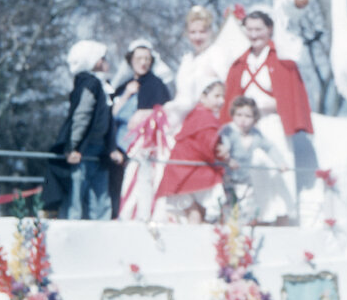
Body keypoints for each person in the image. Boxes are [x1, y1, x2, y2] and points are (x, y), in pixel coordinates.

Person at [221, 10, 317, 201]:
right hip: (246, 126)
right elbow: (232, 97)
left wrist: (275, 105)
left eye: (259, 29)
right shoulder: (240, 62)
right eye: (250, 29)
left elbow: (291, 96)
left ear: (269, 29)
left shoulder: (282, 59)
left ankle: (282, 217)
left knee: (277, 170)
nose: (254, 34)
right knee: (249, 171)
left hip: (273, 123)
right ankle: (252, 216)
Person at [42, 40, 114, 220]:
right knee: (77, 193)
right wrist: (72, 146)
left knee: (99, 196)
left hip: (99, 149)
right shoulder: (90, 84)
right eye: (103, 58)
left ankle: (101, 230)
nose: (107, 62)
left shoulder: (102, 84)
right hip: (85, 148)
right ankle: (73, 229)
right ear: (95, 61)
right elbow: (82, 115)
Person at [110, 39, 171, 216]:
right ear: (130, 60)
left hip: (141, 148)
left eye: (147, 59)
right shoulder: (122, 86)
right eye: (139, 58)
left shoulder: (155, 84)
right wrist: (127, 94)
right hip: (117, 147)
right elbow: (110, 115)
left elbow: (162, 112)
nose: (143, 63)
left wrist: (144, 114)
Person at [153, 80, 227, 223]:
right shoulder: (206, 117)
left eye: (222, 96)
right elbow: (208, 146)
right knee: (208, 209)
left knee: (194, 213)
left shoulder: (196, 114)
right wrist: (225, 155)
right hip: (191, 171)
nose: (221, 101)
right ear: (203, 97)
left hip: (180, 171)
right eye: (217, 96)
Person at [218, 96, 289, 223]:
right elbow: (223, 146)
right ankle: (227, 236)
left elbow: (270, 147)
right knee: (229, 209)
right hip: (226, 179)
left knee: (248, 209)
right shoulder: (228, 130)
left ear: (254, 118)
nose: (242, 120)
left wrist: (280, 163)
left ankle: (246, 236)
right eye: (239, 115)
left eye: (247, 116)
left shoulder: (255, 134)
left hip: (244, 179)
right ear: (233, 115)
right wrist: (228, 159)